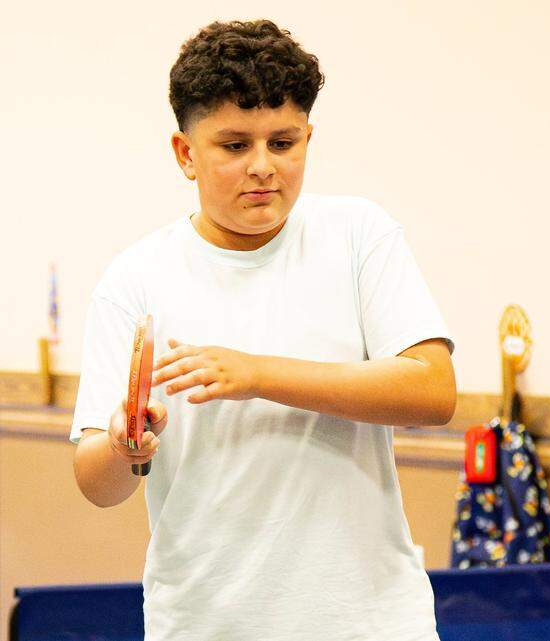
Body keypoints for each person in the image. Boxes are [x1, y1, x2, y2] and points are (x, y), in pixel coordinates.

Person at [70, 19, 455, 640]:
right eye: (234, 145)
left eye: (283, 143)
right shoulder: (135, 278)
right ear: (184, 153)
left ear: (309, 138)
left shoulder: (359, 235)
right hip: (205, 624)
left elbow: (432, 391)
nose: (263, 168)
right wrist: (123, 446)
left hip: (371, 622)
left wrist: (256, 374)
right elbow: (98, 484)